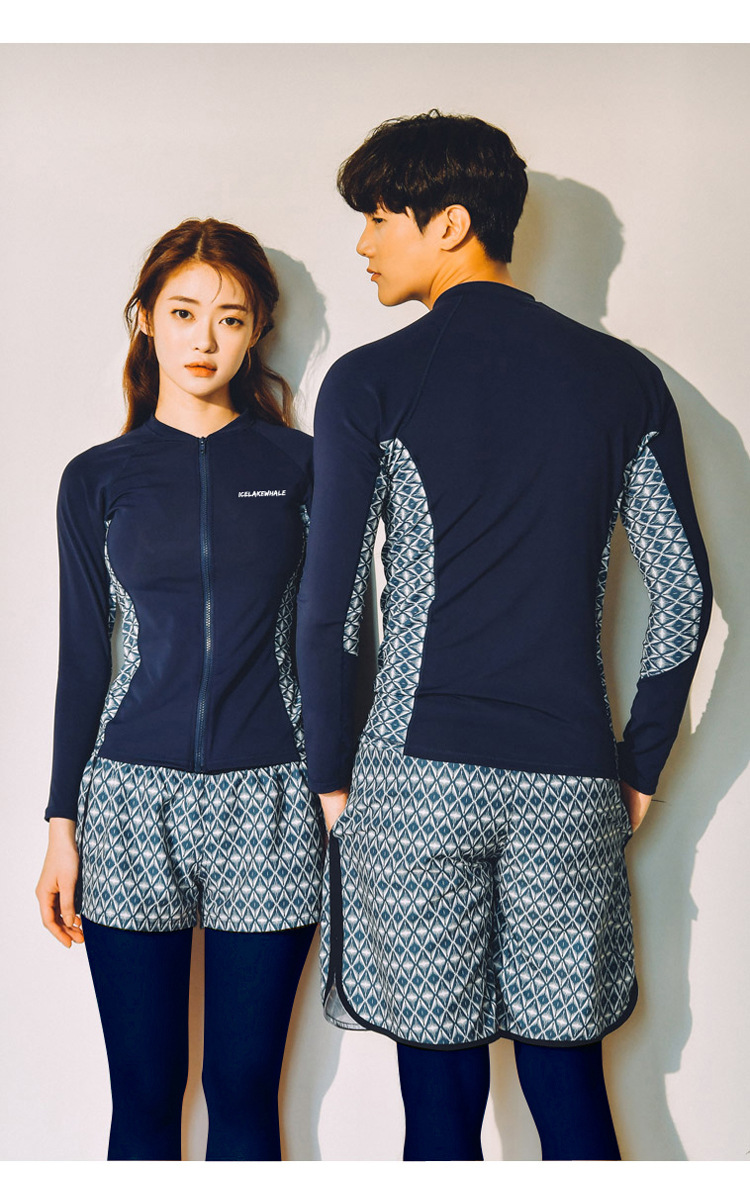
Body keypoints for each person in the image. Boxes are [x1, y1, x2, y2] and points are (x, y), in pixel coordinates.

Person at [296, 112, 712, 1161]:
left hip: (413, 782)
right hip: (571, 782)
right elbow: (685, 592)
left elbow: (330, 606)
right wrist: (640, 764)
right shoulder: (622, 378)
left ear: (448, 223)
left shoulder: (370, 380)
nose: (363, 243)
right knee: (571, 1092)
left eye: (379, 218)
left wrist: (331, 774)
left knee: (439, 1113)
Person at [35, 218, 324, 1161]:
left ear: (257, 331)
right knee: (146, 1097)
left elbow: (337, 643)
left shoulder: (301, 466)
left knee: (243, 1093)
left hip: (271, 801)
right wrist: (60, 825)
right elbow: (84, 658)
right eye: (184, 312)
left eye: (230, 318)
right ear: (147, 320)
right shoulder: (98, 479)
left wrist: (337, 794)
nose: (205, 338)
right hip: (128, 803)